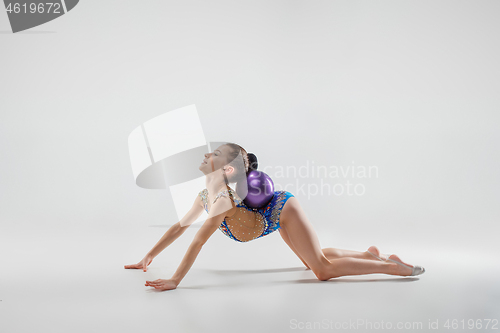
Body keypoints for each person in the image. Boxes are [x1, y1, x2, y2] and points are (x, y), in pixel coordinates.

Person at [124, 143, 425, 291]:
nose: (205, 156)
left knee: (320, 270)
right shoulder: (205, 197)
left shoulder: (222, 201)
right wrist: (148, 256)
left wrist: (176, 279)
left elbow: (197, 243)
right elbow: (180, 228)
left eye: (214, 154)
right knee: (311, 261)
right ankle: (367, 255)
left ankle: (391, 267)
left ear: (228, 170)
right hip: (267, 216)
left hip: (281, 208)